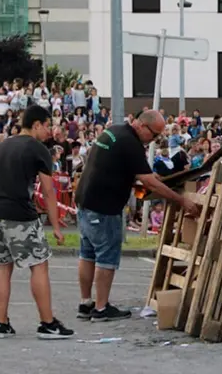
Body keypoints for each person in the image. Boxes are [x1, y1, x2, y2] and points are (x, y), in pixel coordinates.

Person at [74, 110, 200, 322]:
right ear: (142, 126)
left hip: (86, 202)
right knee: (106, 257)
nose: (155, 140)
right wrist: (180, 200)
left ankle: (86, 303)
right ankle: (102, 308)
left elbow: (119, 168)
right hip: (105, 206)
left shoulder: (114, 132)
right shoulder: (130, 143)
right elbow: (149, 182)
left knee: (87, 255)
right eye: (155, 134)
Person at [0, 105, 74, 339]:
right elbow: (48, 190)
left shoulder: (0, 146)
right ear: (36, 125)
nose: (49, 131)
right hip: (18, 212)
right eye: (46, 126)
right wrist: (55, 225)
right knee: (39, 264)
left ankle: (1, 324)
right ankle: (47, 323)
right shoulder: (38, 149)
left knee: (3, 266)